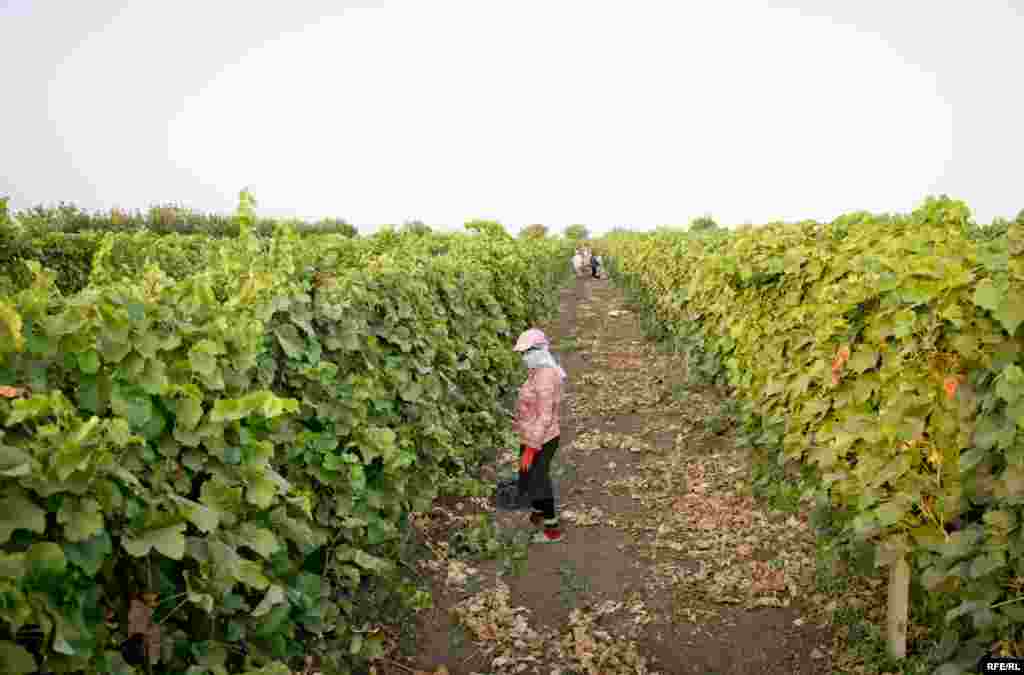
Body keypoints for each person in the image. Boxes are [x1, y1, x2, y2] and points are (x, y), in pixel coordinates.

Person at [511, 328, 566, 543]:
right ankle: (537, 511)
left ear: (539, 351)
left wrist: (532, 447)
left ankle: (552, 530)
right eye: (522, 353)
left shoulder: (545, 377)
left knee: (538, 480)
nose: (524, 357)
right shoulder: (538, 370)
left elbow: (545, 417)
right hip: (532, 435)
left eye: (527, 352)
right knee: (526, 473)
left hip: (543, 439)